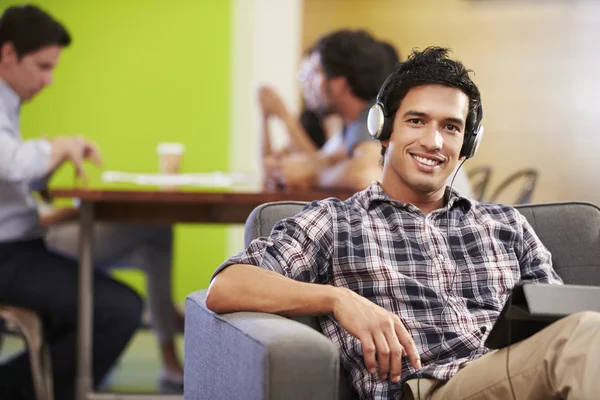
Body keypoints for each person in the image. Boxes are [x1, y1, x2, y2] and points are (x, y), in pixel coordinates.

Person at [205, 47, 600, 400]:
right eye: (416, 121)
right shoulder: (337, 221)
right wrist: (337, 299)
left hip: (528, 377)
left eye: (451, 127)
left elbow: (555, 323)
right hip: (432, 387)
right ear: (383, 130)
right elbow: (227, 286)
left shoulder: (506, 224)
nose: (434, 142)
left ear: (467, 144)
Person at [0, 5, 142, 399]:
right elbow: (9, 161)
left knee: (89, 314)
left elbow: (16, 174)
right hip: (8, 254)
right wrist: (57, 146)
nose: (49, 81)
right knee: (119, 309)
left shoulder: (8, 105)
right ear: (8, 54)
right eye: (43, 67)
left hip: (20, 249)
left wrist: (55, 153)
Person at [39, 211, 184, 391]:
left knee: (156, 237)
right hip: (43, 236)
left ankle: (169, 335)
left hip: (54, 230)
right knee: (159, 227)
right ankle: (169, 348)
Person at [265, 29, 390, 191]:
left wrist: (314, 175)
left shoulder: (374, 117)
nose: (307, 84)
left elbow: (365, 174)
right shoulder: (352, 123)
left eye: (315, 72)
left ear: (339, 84)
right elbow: (329, 158)